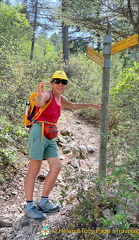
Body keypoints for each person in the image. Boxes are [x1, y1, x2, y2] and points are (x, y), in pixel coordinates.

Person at [24, 70, 101, 220]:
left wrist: (91, 105)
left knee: (56, 166)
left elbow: (73, 105)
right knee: (34, 169)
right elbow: (40, 102)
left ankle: (44, 202)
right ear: (52, 82)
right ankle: (29, 206)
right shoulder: (48, 94)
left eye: (64, 82)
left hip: (51, 134)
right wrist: (39, 96)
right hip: (38, 131)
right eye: (57, 81)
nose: (60, 84)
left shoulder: (60, 98)